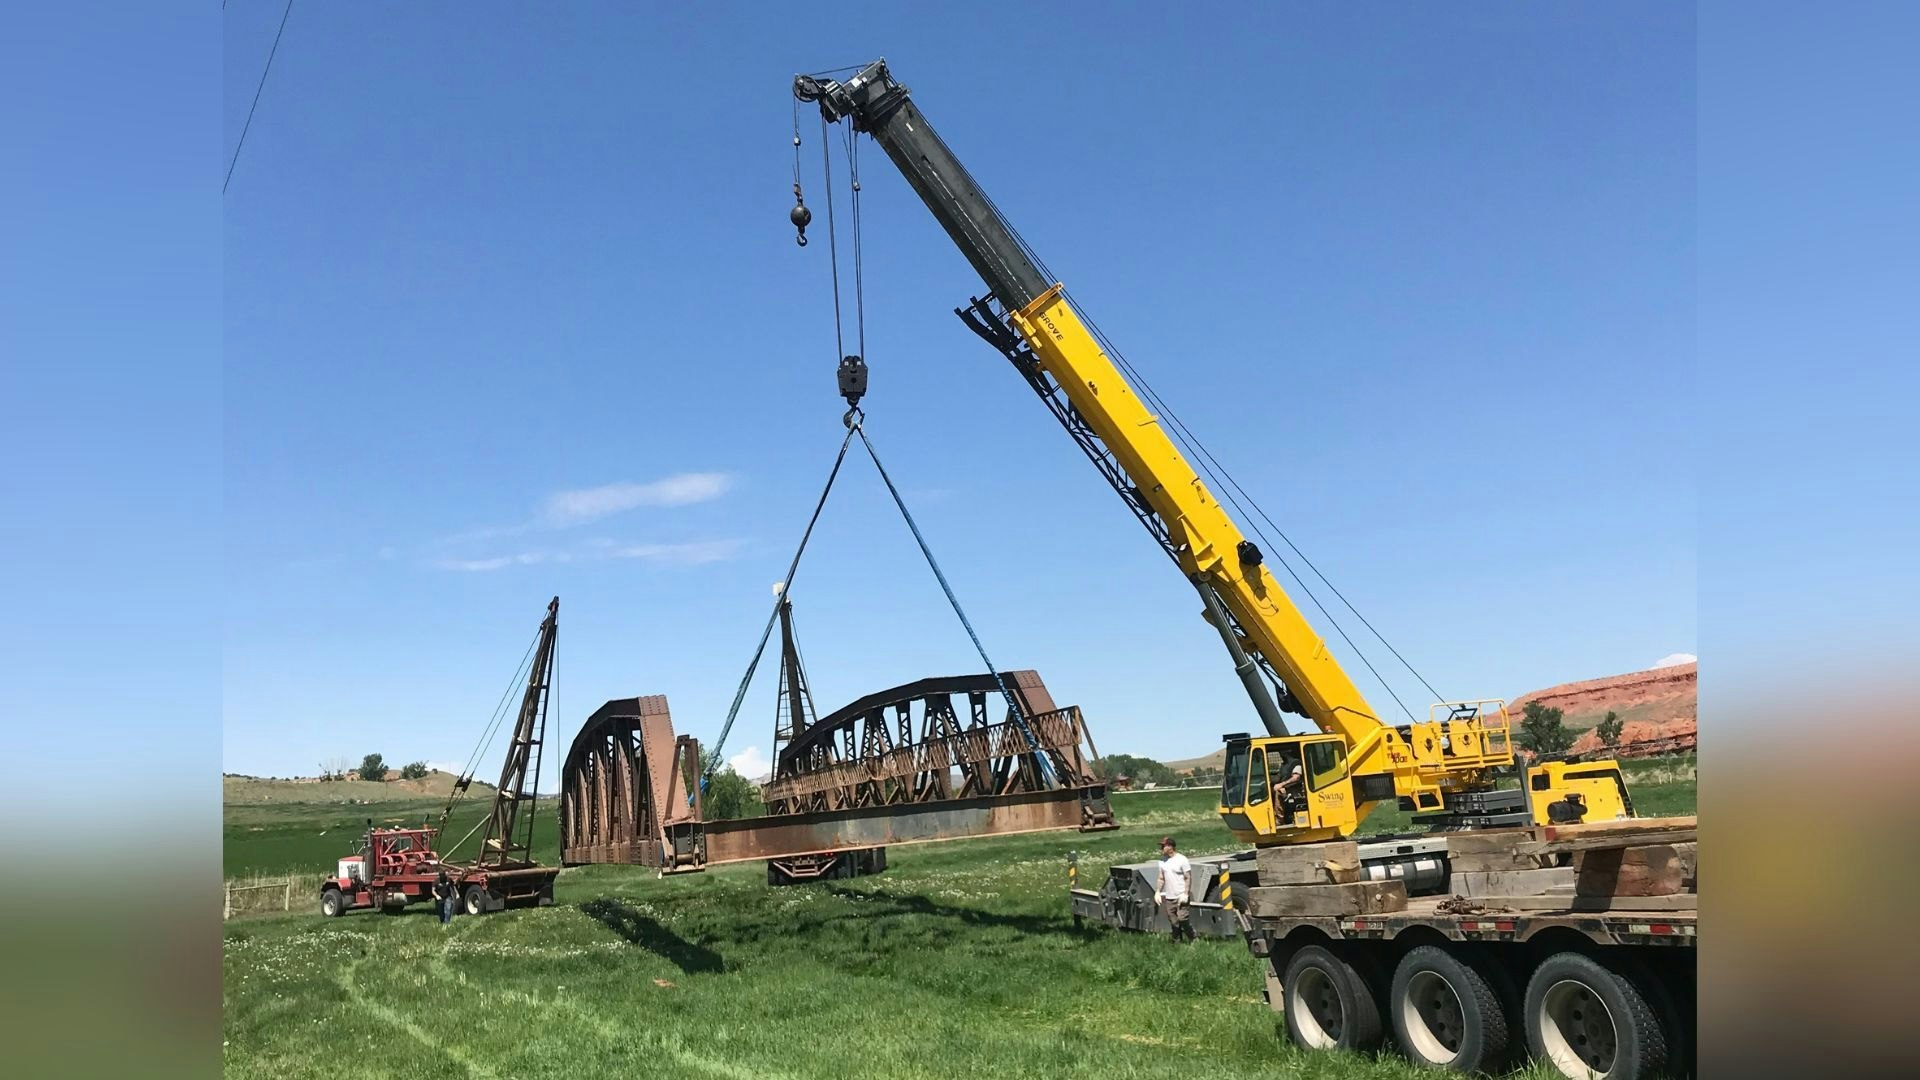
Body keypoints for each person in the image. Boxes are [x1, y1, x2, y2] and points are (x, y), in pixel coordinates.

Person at [1154, 835, 1195, 943]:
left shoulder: (1182, 860)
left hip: (1181, 895)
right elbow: (1161, 877)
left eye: (1163, 846)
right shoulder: (1162, 861)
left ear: (1170, 847)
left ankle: (1193, 938)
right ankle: (1177, 941)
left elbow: (1188, 877)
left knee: (1182, 918)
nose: (1161, 849)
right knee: (1173, 921)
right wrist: (1157, 891)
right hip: (1169, 897)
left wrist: (1185, 894)